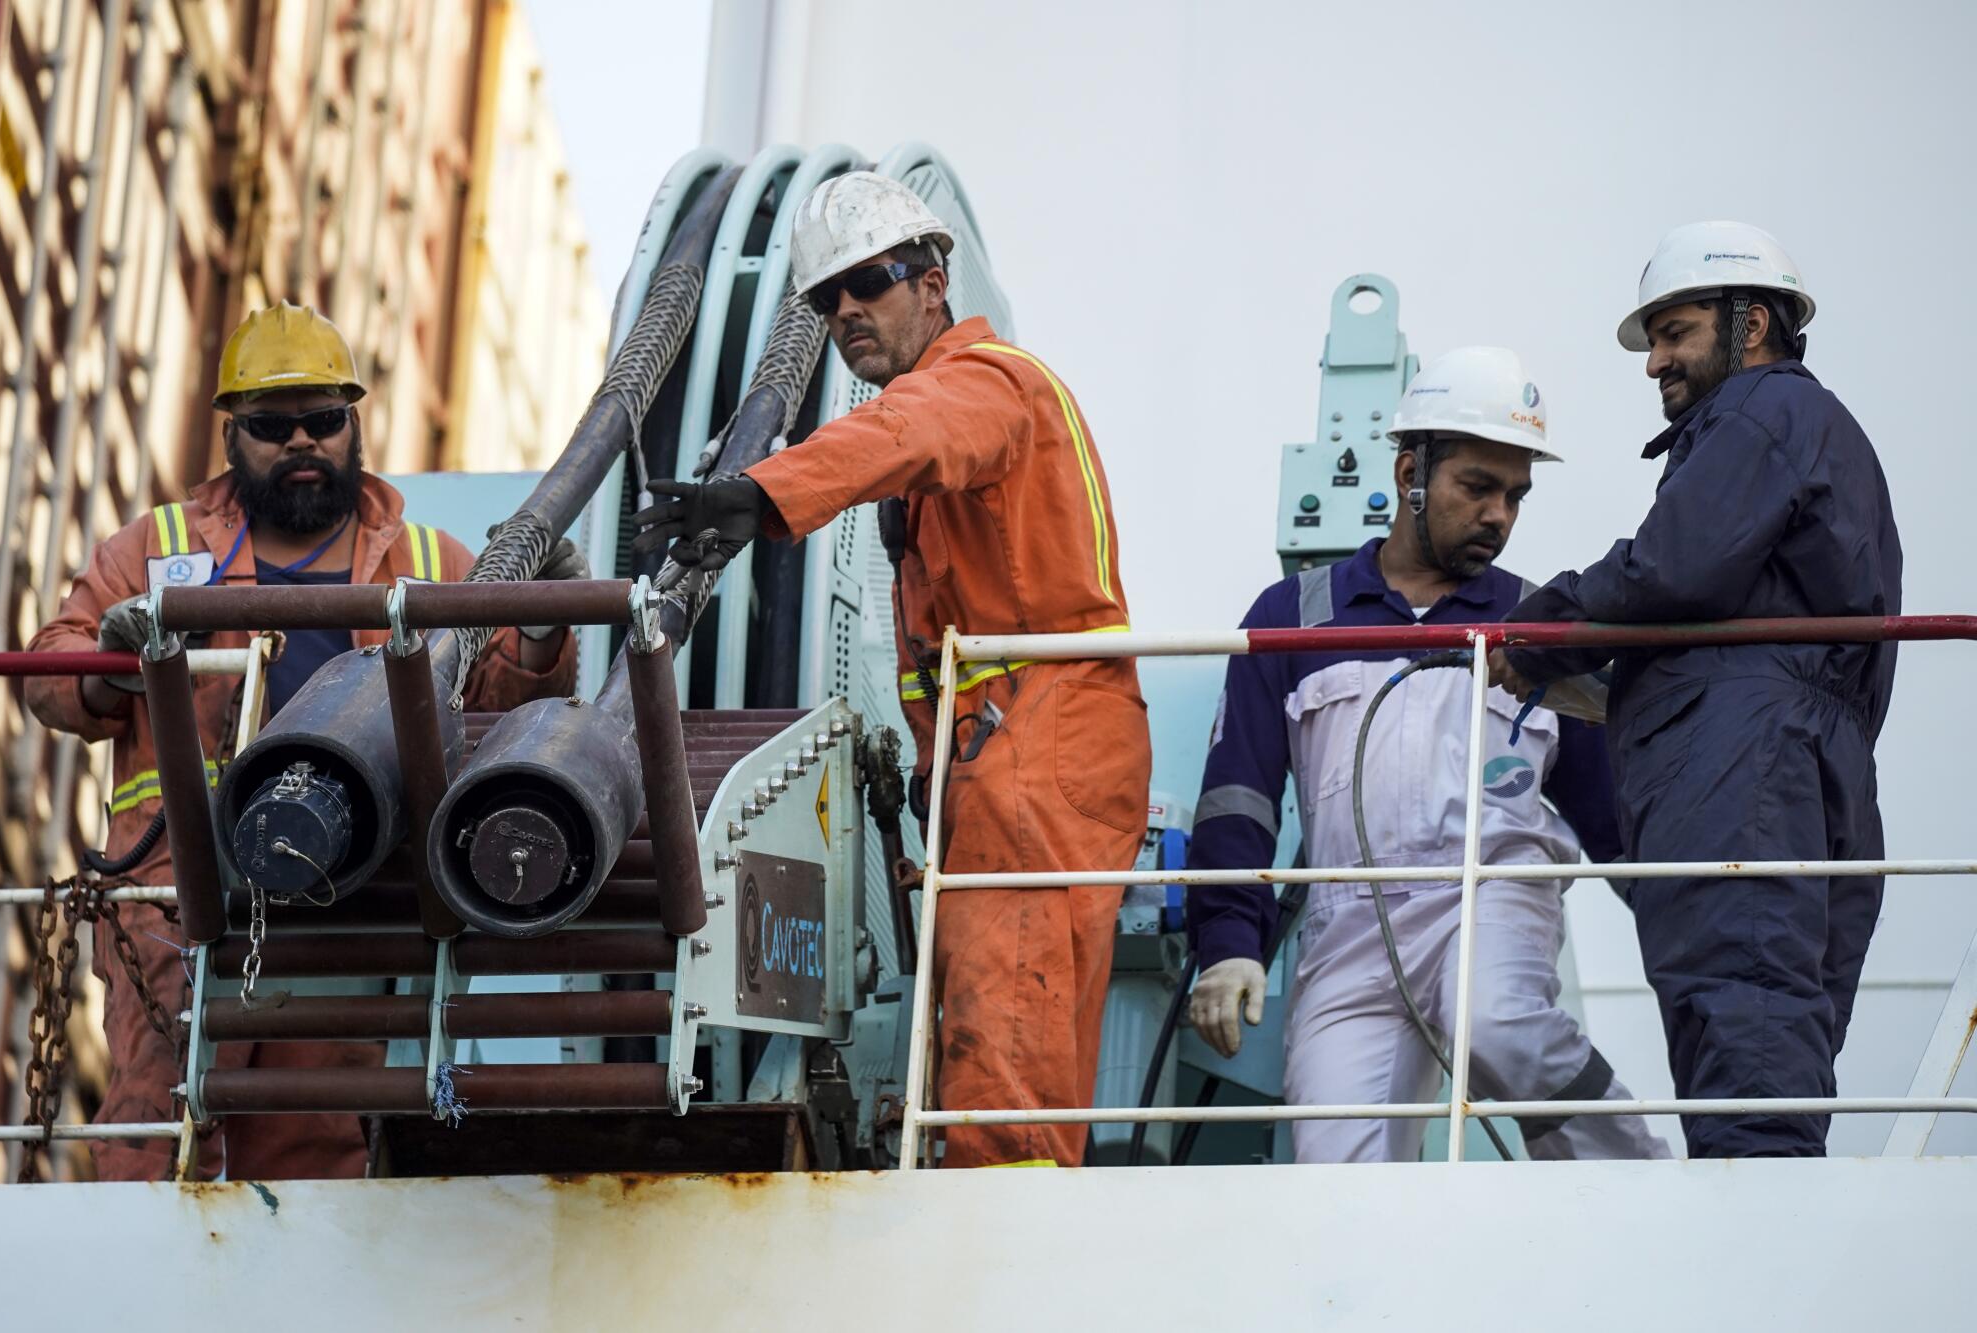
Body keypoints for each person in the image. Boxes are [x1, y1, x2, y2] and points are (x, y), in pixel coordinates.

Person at [634, 171, 1150, 1167]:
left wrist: (761, 494)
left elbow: (909, 428)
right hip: (1002, 750)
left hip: (1037, 744)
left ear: (932, 276)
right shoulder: (949, 418)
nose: (846, 312)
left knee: (1006, 1039)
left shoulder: (991, 384)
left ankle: (995, 1250)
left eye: (867, 281)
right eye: (826, 298)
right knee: (996, 1017)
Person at [27, 302, 585, 1181]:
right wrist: (115, 665)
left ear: (354, 425)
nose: (301, 440)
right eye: (271, 425)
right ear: (231, 437)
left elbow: (510, 692)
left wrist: (548, 624)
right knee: (156, 1122)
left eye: (324, 419)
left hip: (352, 892)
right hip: (177, 888)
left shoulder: (431, 560)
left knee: (314, 1138)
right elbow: (48, 669)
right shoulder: (158, 548)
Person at [1186, 348, 1668, 1163]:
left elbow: (1612, 806)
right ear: (1411, 471)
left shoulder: (1538, 626)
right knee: (1332, 1162)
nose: (1498, 515)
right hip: (1349, 926)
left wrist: (1679, 909)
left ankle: (1638, 1182)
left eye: (1514, 495)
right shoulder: (1294, 617)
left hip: (1489, 891)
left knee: (1499, 1022)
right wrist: (1229, 940)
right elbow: (1240, 793)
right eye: (1475, 486)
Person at [1491, 223, 1902, 1158]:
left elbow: (1678, 568)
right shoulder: (1816, 432)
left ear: (1749, 323)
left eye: (1675, 333)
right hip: (1808, 764)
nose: (1656, 363)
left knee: (1741, 1016)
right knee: (1775, 1034)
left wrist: (1541, 629)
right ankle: (1771, 1243)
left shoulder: (1761, 413)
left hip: (1741, 771)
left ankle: (1755, 1264)